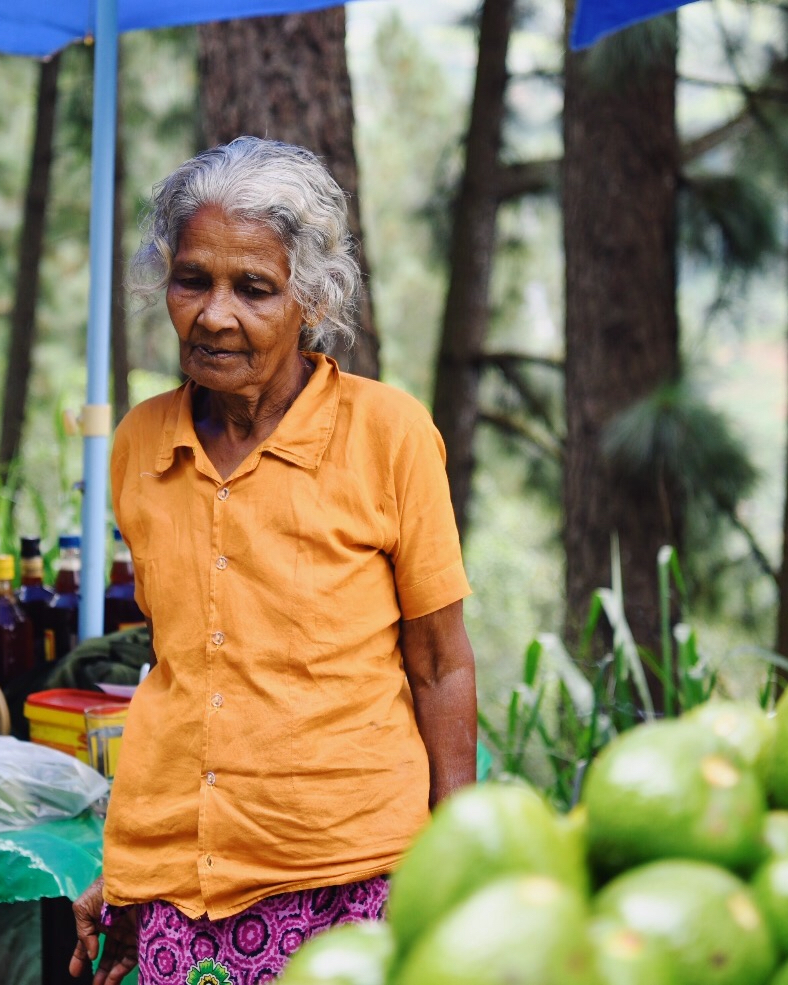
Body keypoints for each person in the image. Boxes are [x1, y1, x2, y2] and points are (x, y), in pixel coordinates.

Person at [69, 136, 477, 985]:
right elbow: (183, 665)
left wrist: (459, 855)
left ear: (312, 304)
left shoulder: (389, 434)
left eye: (253, 288)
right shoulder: (140, 443)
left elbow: (440, 664)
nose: (215, 314)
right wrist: (134, 869)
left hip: (351, 874)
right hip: (185, 892)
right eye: (193, 280)